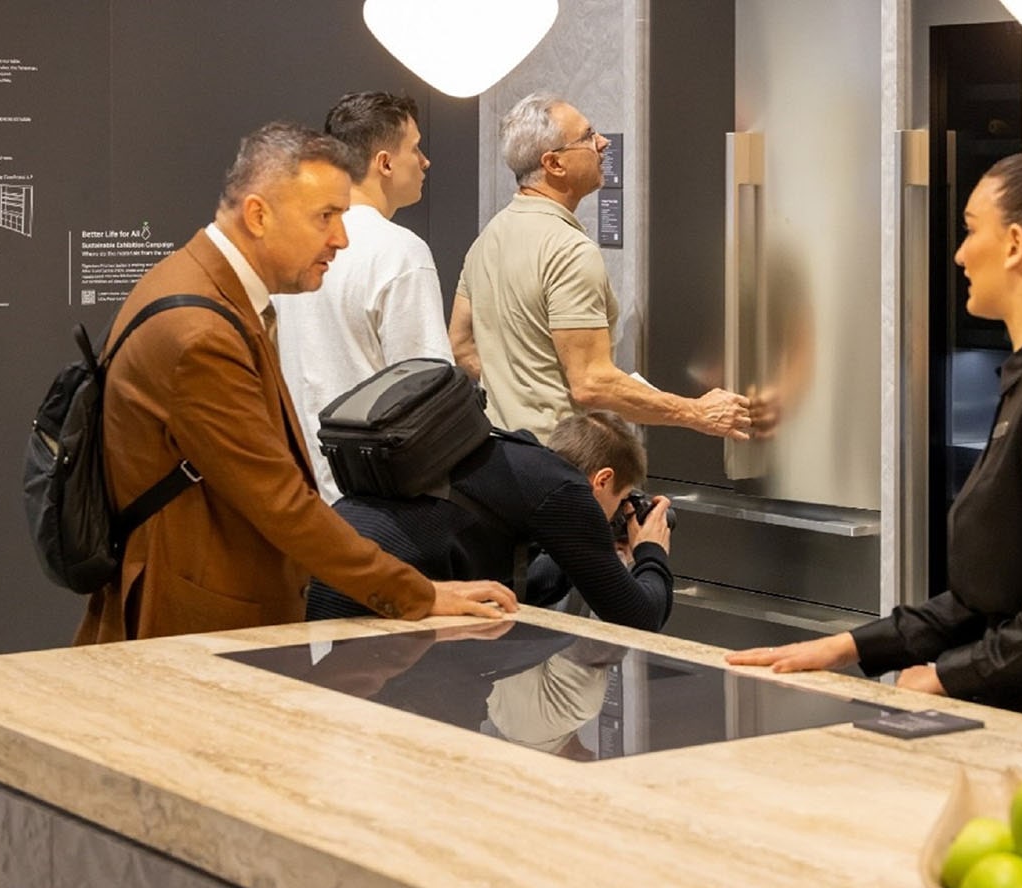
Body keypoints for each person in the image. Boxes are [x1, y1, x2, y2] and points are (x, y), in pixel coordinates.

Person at [729, 123, 1022, 745]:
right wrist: (843, 646)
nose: (962, 253)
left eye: (971, 229)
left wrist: (944, 677)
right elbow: (986, 598)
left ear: (1016, 244)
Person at [75, 121, 515, 645]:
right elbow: (281, 503)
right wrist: (420, 594)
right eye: (325, 217)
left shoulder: (198, 285)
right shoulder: (200, 334)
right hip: (196, 627)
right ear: (258, 215)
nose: (341, 238)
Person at [450, 92, 751, 444]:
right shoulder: (569, 250)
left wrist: (518, 387)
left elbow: (460, 343)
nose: (604, 143)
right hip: (558, 462)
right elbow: (591, 383)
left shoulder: (487, 239)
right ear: (554, 164)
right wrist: (697, 413)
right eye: (588, 136)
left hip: (503, 455)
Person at [307, 410, 674, 632]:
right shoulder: (566, 490)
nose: (620, 512)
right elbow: (639, 617)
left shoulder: (515, 461)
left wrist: (594, 554)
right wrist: (651, 551)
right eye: (622, 500)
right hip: (387, 586)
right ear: (603, 479)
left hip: (343, 567)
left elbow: (518, 587)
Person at [275, 92, 453, 504]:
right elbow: (426, 392)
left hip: (300, 491)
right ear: (385, 163)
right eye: (415, 148)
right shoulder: (400, 251)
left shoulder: (293, 244)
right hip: (377, 499)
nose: (424, 161)